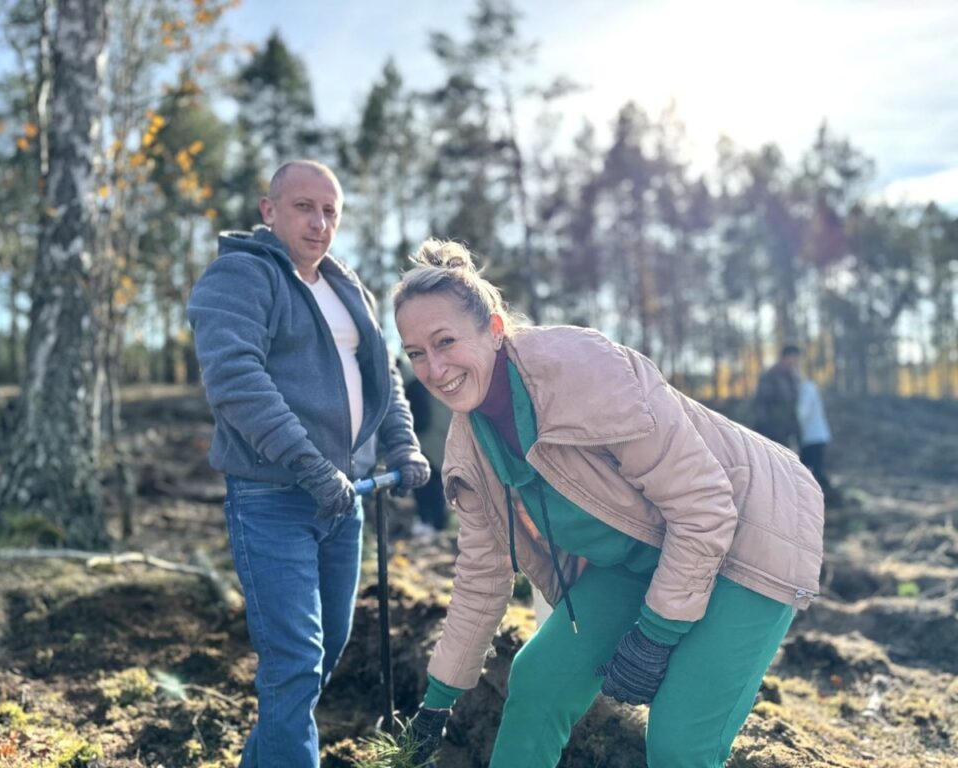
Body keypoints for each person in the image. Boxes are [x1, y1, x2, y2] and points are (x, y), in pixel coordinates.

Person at [393, 239, 824, 768]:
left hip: (750, 533)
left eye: (445, 342)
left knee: (679, 744)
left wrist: (656, 634)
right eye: (416, 354)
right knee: (539, 679)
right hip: (643, 551)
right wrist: (437, 701)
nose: (434, 369)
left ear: (496, 329)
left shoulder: (587, 373)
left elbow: (705, 507)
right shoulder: (469, 449)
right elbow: (482, 576)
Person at [187, 160, 429, 768]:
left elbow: (385, 379)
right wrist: (310, 463)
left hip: (343, 503)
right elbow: (236, 381)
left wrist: (402, 445)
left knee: (321, 657)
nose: (319, 223)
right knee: (294, 661)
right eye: (303, 207)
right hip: (273, 499)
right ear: (269, 210)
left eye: (331, 211)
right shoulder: (239, 276)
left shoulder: (349, 287)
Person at [402, 360, 452, 536]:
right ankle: (438, 523)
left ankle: (432, 523)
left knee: (426, 486)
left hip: (424, 443)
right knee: (433, 484)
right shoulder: (426, 383)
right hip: (434, 440)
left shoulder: (413, 386)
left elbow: (421, 419)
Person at [753, 345, 802, 446]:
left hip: (787, 430)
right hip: (772, 430)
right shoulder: (770, 375)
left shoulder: (793, 378)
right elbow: (762, 403)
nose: (795, 362)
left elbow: (794, 404)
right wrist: (765, 428)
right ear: (785, 357)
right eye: (793, 358)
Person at [797, 376, 833, 498]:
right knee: (812, 469)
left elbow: (802, 413)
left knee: (811, 470)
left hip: (812, 437)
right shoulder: (809, 387)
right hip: (814, 436)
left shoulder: (806, 389)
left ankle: (826, 495)